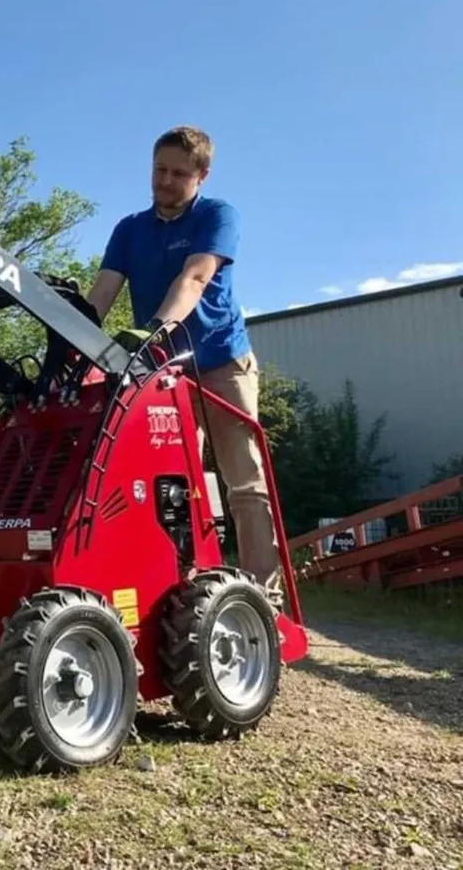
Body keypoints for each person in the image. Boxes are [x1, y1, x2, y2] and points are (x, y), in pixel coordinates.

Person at [85, 125, 282, 598]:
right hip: (163, 376)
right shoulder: (130, 229)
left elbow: (194, 278)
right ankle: (182, 584)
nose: (165, 181)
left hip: (220, 363)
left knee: (245, 484)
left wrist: (155, 329)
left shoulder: (217, 216)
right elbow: (103, 292)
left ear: (201, 176)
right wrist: (74, 340)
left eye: (178, 173)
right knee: (171, 483)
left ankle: (264, 595)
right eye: (159, 170)